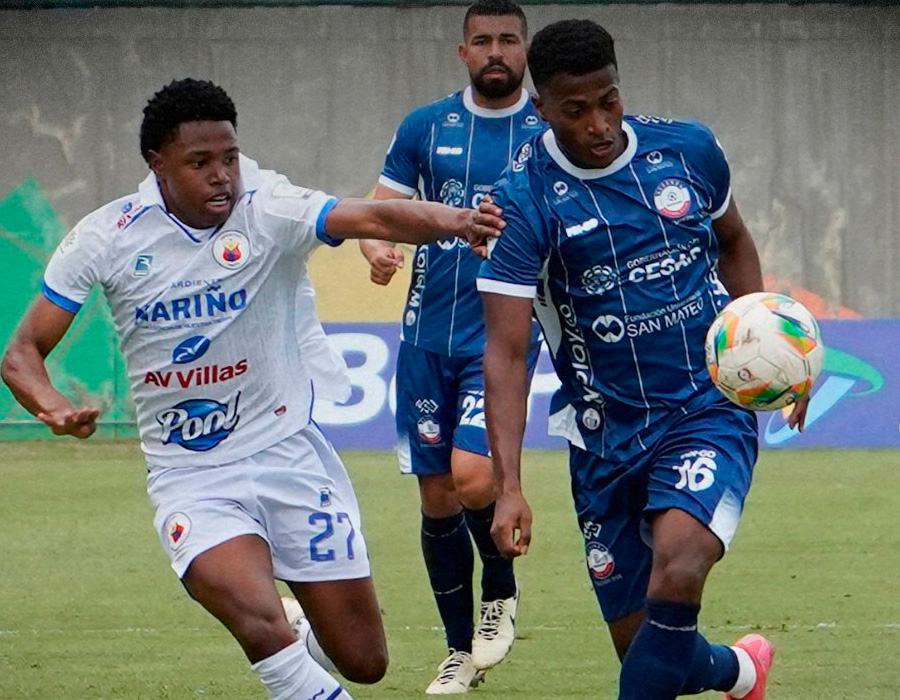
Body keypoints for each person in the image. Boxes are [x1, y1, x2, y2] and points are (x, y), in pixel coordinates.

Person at [0, 78, 503, 700]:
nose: (222, 176)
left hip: (289, 456)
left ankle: (300, 624)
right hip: (192, 476)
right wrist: (53, 408)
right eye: (200, 162)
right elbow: (22, 353)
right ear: (158, 164)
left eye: (230, 158)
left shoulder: (270, 208)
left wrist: (457, 220)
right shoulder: (108, 235)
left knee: (364, 661)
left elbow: (371, 214)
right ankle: (278, 629)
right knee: (259, 624)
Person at [476, 19, 810, 700]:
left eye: (609, 101)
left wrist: (778, 351)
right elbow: (507, 354)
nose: (599, 125)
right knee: (651, 649)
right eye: (576, 110)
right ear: (541, 108)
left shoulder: (688, 151)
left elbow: (734, 241)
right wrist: (508, 485)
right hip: (603, 434)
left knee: (679, 569)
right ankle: (742, 671)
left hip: (705, 405)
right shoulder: (521, 202)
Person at [358, 0, 542, 693]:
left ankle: (501, 589)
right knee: (436, 496)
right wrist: (377, 250)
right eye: (482, 41)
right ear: (463, 52)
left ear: (524, 50)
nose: (496, 51)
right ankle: (459, 652)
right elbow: (381, 210)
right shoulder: (426, 126)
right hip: (424, 336)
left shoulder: (547, 130)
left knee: (472, 476)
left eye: (508, 40)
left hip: (500, 336)